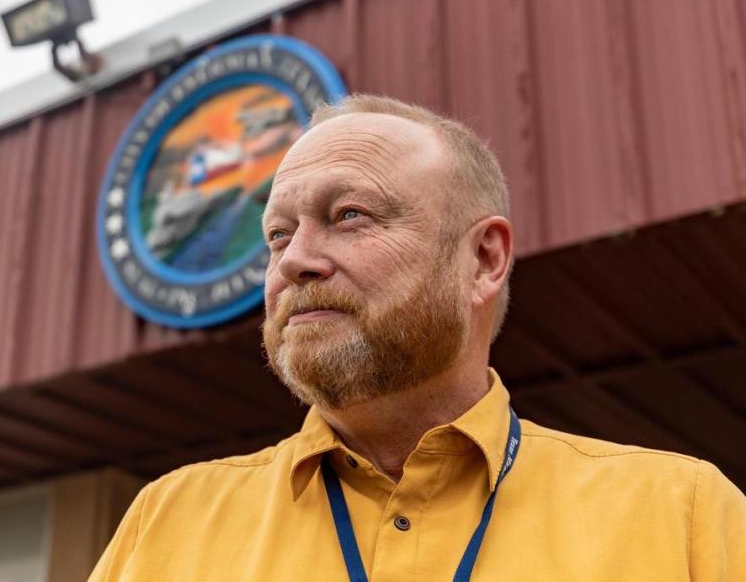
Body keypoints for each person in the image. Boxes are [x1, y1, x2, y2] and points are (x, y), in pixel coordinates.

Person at [88, 94, 746, 581]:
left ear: (484, 260)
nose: (294, 260)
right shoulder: (164, 523)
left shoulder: (684, 518)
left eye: (349, 215)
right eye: (278, 234)